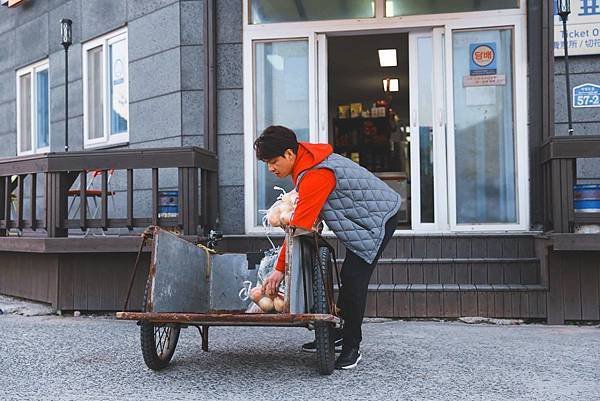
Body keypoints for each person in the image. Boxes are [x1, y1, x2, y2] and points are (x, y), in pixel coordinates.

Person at [255, 125, 401, 370]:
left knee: (354, 279)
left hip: (379, 218)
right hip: (364, 219)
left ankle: (352, 346)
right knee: (349, 276)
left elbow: (298, 228)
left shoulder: (315, 173)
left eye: (273, 161)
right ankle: (339, 335)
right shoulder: (304, 163)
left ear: (290, 154)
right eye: (266, 163)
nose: (270, 168)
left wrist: (279, 269)